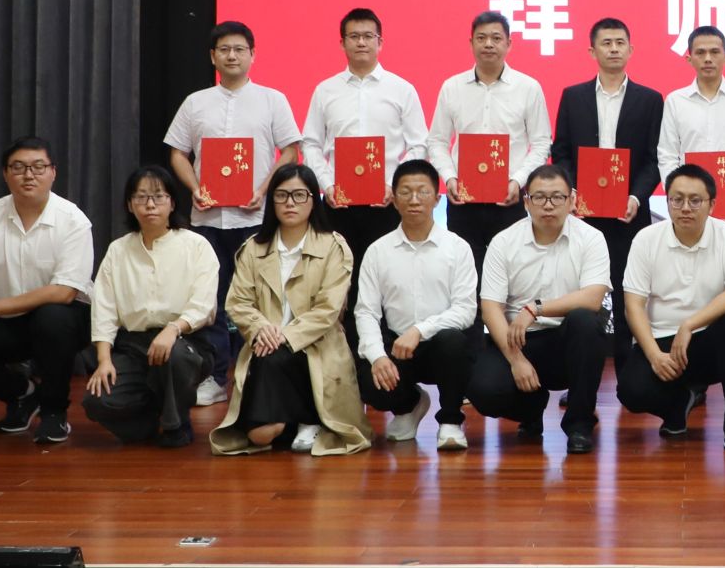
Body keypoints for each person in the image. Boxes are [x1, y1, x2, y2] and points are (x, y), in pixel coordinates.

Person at [163, 21, 303, 407]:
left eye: (240, 49)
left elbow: (291, 151)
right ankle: (214, 375)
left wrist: (264, 189)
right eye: (224, 49)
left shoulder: (272, 100)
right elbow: (177, 153)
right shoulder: (196, 103)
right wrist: (195, 188)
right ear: (213, 56)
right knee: (211, 297)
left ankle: (254, 373)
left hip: (254, 218)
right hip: (207, 220)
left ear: (252, 55)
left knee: (256, 298)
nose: (232, 55)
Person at [209, 164, 370, 456]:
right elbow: (238, 302)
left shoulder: (334, 247)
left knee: (273, 370)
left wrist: (284, 336)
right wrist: (260, 327)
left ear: (313, 200)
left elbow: (328, 309)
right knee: (260, 435)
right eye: (282, 195)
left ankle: (310, 418)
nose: (290, 203)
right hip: (264, 345)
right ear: (272, 201)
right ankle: (301, 418)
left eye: (299, 195)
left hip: (316, 345)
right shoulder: (253, 248)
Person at [0, 136, 94, 445]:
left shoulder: (73, 220)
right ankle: (24, 394)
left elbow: (64, 292)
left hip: (67, 319)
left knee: (52, 318)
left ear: (53, 172)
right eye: (19, 167)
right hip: (8, 321)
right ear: (5, 174)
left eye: (38, 167)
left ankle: (54, 410)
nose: (29, 175)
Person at [299, 8, 430, 340]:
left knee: (386, 281)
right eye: (353, 36)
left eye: (368, 36)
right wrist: (327, 184)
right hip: (337, 204)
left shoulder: (402, 89)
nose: (361, 42)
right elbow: (311, 143)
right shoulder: (325, 90)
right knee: (338, 282)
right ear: (342, 43)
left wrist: (393, 185)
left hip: (386, 204)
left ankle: (385, 355)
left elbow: (419, 144)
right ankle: (343, 356)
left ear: (380, 42)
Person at [467, 164, 611, 454]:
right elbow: (490, 308)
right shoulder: (503, 242)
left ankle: (579, 424)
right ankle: (531, 408)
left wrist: (536, 308)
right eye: (539, 197)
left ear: (572, 200)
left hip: (567, 341)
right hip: (517, 340)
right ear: (526, 202)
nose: (548, 205)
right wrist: (516, 360)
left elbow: (593, 298)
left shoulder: (591, 238)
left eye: (557, 197)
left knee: (586, 321)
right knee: (483, 389)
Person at [551, 17, 665, 369]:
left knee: (629, 290)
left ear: (631, 49)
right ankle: (582, 374)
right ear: (592, 51)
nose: (614, 49)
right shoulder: (573, 96)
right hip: (582, 214)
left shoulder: (650, 99)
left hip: (629, 213)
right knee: (582, 294)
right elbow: (562, 151)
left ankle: (630, 373)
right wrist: (571, 192)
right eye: (606, 43)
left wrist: (636, 197)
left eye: (620, 43)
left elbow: (654, 158)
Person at [619, 163, 725, 449]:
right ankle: (679, 403)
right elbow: (633, 305)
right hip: (662, 341)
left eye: (695, 201)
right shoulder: (646, 239)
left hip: (710, 341)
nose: (685, 208)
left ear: (712, 204)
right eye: (677, 199)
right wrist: (654, 355)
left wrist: (689, 325)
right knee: (631, 390)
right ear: (667, 201)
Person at [82, 166, 218, 448]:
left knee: (175, 356)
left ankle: (176, 424)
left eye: (158, 196)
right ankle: (150, 419)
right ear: (130, 205)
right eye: (141, 197)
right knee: (97, 401)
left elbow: (204, 304)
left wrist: (174, 329)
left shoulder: (196, 245)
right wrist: (104, 360)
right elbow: (104, 310)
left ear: (172, 203)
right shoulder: (118, 250)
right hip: (133, 345)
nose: (150, 204)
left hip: (186, 341)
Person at [354, 159, 478, 452]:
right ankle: (409, 405)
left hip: (442, 346)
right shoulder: (378, 251)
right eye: (405, 192)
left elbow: (465, 310)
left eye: (423, 192)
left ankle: (450, 420)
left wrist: (420, 330)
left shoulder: (457, 248)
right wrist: (377, 356)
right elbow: (366, 311)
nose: (414, 200)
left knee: (453, 342)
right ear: (394, 199)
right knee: (367, 377)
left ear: (437, 199)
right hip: (398, 346)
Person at [426, 11, 553, 272]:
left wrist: (518, 180)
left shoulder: (528, 88)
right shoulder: (452, 87)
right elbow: (437, 141)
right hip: (462, 200)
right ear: (471, 42)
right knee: (464, 272)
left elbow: (541, 143)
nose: (488, 44)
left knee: (511, 271)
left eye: (496, 38)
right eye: (481, 38)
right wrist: (449, 178)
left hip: (509, 199)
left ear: (509, 43)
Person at [657, 25, 725, 242]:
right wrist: (676, 198)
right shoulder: (675, 101)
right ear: (689, 58)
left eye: (715, 52)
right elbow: (667, 154)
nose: (708, 59)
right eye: (700, 52)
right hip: (688, 204)